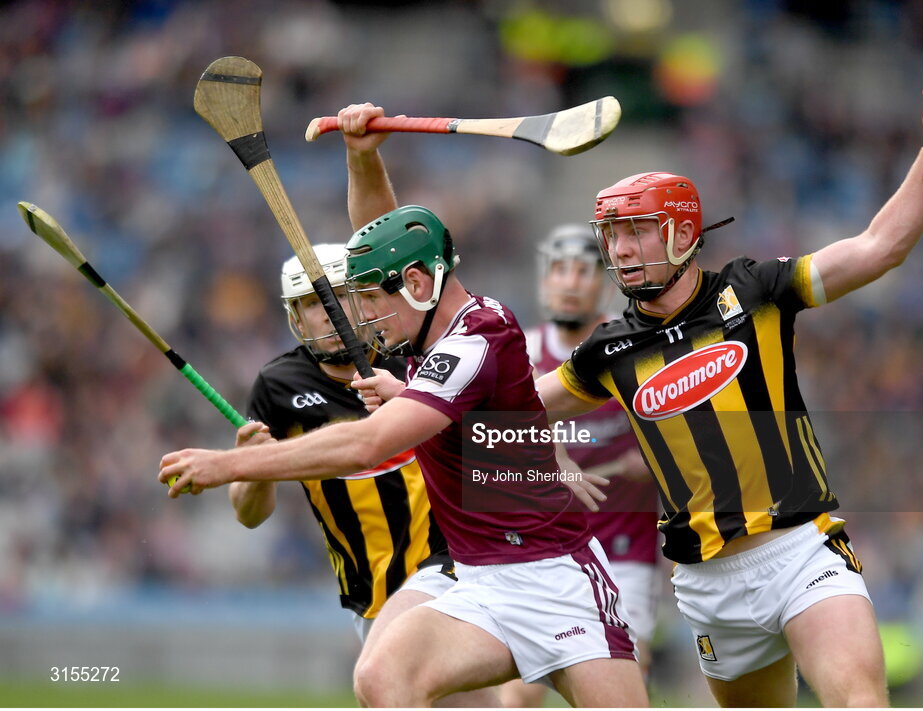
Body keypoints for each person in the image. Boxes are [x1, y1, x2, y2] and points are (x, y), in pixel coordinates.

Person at [534, 68, 923, 707]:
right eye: (612, 234)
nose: (619, 249)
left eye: (636, 230)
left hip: (800, 551)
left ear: (679, 233)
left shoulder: (753, 290)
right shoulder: (607, 350)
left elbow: (881, 247)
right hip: (704, 581)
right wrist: (413, 390)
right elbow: (510, 402)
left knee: (859, 702)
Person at [159, 103, 648, 707]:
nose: (361, 316)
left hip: (557, 577)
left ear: (418, 285)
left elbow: (368, 442)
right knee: (380, 677)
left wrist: (226, 466)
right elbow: (384, 233)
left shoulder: (474, 340)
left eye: (370, 299)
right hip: (474, 576)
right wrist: (361, 156)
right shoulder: (425, 324)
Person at [227, 244, 494, 707]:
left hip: (450, 562)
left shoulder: (414, 358)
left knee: (389, 682)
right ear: (295, 316)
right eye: (314, 303)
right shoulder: (277, 387)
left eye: (340, 297)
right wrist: (257, 467)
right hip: (367, 590)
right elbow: (249, 515)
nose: (329, 314)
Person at [502, 225, 664, 707]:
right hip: (540, 550)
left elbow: (689, 433)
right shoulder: (518, 353)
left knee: (626, 673)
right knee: (518, 692)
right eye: (559, 269)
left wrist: (655, 460)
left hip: (623, 549)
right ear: (543, 279)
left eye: (583, 270)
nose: (569, 282)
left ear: (603, 281)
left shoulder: (634, 347)